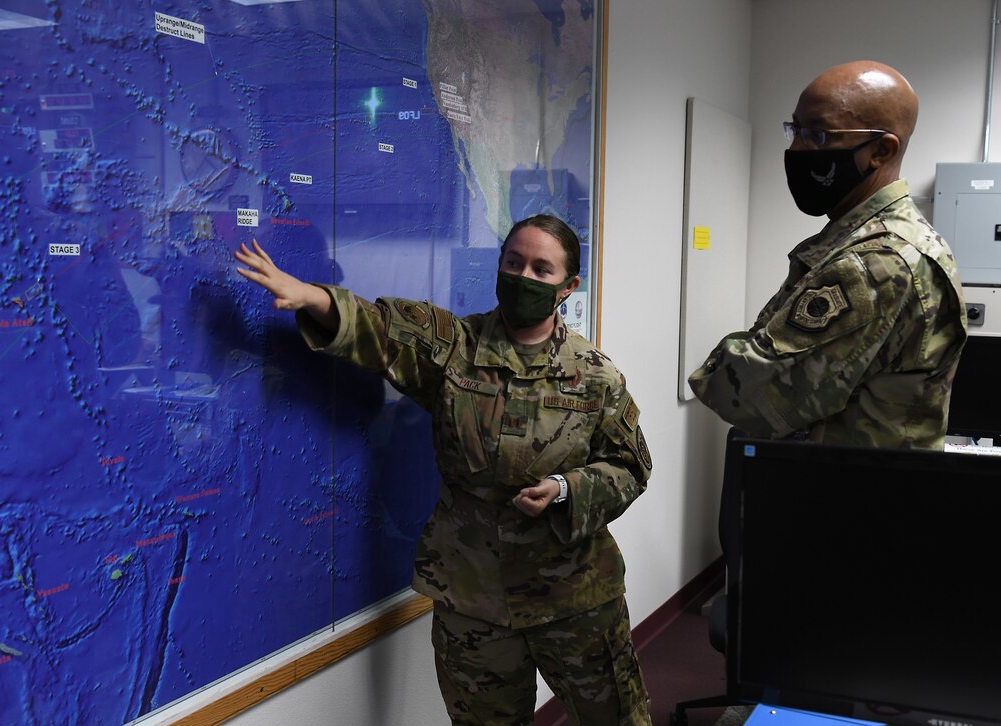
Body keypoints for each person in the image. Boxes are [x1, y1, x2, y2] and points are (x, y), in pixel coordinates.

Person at [234, 214, 653, 725]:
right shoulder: (455, 347)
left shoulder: (596, 376)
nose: (524, 277)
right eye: (514, 262)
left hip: (575, 597)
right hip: (473, 597)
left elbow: (630, 467)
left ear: (568, 287)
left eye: (542, 270)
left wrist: (568, 488)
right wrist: (311, 296)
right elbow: (383, 329)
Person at [688, 60, 967, 450]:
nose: (796, 148)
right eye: (796, 130)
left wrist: (727, 360)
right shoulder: (905, 237)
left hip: (847, 500)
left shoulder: (874, 263)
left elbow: (743, 395)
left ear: (881, 151)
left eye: (818, 135)